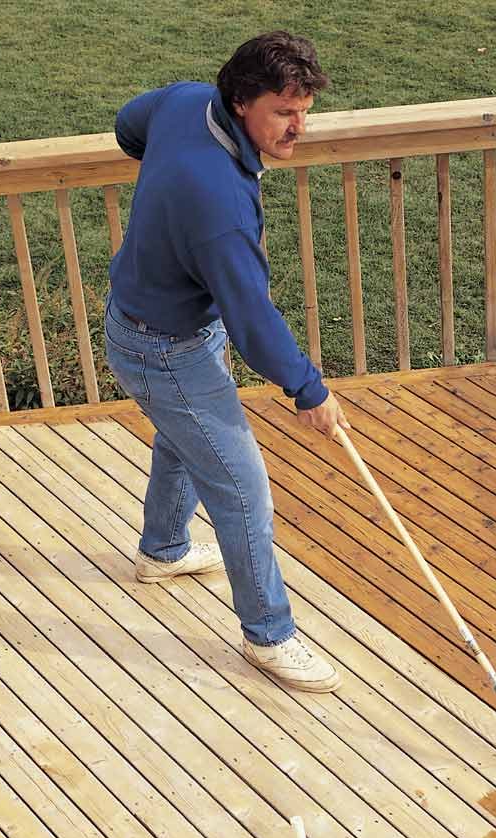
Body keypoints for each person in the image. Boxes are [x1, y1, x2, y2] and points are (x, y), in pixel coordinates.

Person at [105, 32, 348, 693]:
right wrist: (308, 390)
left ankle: (163, 550)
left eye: (305, 111)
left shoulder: (186, 102)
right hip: (163, 347)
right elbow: (252, 321)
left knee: (185, 436)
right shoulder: (218, 206)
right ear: (242, 102)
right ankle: (269, 635)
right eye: (283, 112)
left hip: (162, 321)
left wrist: (167, 172)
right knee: (242, 491)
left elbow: (129, 124)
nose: (298, 128)